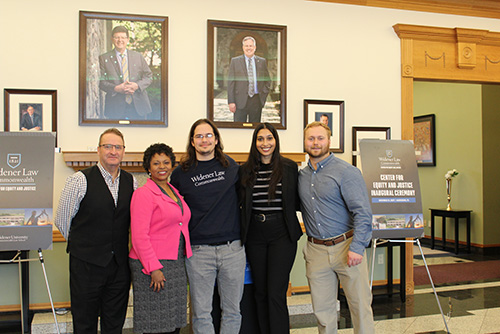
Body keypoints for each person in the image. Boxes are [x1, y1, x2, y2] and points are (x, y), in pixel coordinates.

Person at [55, 128, 137, 334]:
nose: (113, 151)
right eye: (107, 146)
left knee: (114, 324)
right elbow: (62, 220)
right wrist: (84, 247)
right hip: (86, 267)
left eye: (117, 147)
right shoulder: (80, 180)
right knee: (84, 324)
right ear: (98, 150)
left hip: (119, 268)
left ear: (123, 151)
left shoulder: (132, 182)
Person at [170, 118, 245, 334]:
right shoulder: (180, 173)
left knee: (232, 311)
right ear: (192, 142)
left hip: (232, 249)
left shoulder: (231, 167)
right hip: (198, 251)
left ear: (216, 139)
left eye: (208, 135)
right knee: (201, 313)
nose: (204, 140)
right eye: (199, 136)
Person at [298, 121, 375, 334]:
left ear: (329, 141)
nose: (315, 143)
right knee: (323, 312)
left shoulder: (346, 172)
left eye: (320, 138)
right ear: (304, 141)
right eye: (310, 138)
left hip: (347, 247)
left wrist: (357, 247)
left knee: (360, 307)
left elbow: (363, 213)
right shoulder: (301, 177)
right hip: (316, 250)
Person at [239, 123, 302, 334]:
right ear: (254, 142)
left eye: (269, 138)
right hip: (255, 234)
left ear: (276, 141)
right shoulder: (245, 170)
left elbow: (299, 200)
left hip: (282, 233)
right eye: (260, 139)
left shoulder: (289, 167)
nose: (265, 143)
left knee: (276, 292)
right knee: (260, 292)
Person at [129, 143, 192, 334]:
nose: (162, 167)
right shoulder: (143, 194)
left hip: (175, 263)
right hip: (153, 264)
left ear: (172, 165)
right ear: (148, 167)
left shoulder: (174, 191)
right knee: (155, 322)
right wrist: (153, 268)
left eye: (166, 162)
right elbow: (139, 236)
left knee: (174, 320)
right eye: (156, 163)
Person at [99, 25, 153, 120]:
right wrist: (116, 88)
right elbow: (101, 82)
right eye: (117, 37)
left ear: (127, 39)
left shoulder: (138, 56)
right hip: (115, 107)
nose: (120, 40)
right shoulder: (104, 58)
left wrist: (137, 85)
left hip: (139, 105)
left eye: (123, 37)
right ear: (112, 39)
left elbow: (149, 76)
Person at [227, 36, 271, 123]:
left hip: (256, 100)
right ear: (243, 47)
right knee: (238, 128)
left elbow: (267, 80)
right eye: (246, 46)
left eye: (251, 46)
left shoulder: (262, 62)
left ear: (255, 47)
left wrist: (263, 95)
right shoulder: (235, 61)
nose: (249, 48)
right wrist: (231, 101)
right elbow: (231, 83)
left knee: (255, 129)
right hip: (240, 101)